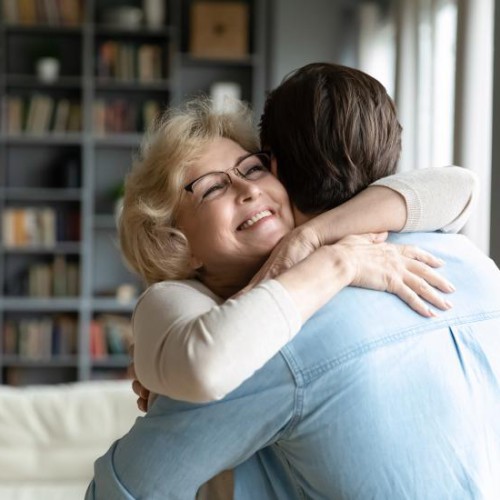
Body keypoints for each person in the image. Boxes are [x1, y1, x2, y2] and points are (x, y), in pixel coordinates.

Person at [85, 64, 499, 499]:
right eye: (211, 189)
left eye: (253, 169)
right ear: (175, 241)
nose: (247, 190)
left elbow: (119, 491)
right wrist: (333, 259)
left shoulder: (285, 346)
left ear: (279, 171)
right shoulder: (470, 261)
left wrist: (314, 240)